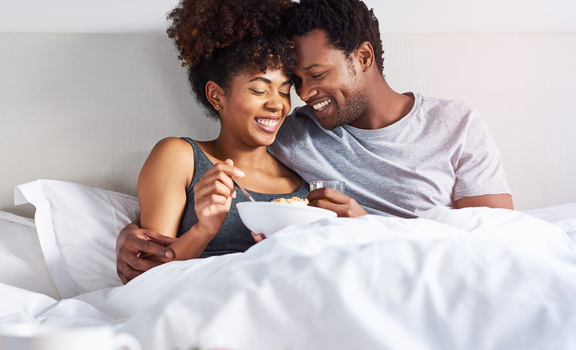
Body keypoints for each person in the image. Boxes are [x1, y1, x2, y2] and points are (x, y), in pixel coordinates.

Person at [116, 0, 514, 283]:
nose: (300, 96)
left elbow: (500, 241)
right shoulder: (293, 133)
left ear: (363, 57)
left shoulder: (456, 123)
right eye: (296, 82)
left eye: (314, 75)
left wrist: (369, 228)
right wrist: (131, 232)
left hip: (425, 281)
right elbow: (225, 162)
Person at [135, 0, 309, 262]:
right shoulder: (180, 157)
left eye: (284, 91)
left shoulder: (302, 180)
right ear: (216, 95)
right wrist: (203, 229)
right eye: (259, 90)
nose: (277, 104)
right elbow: (146, 272)